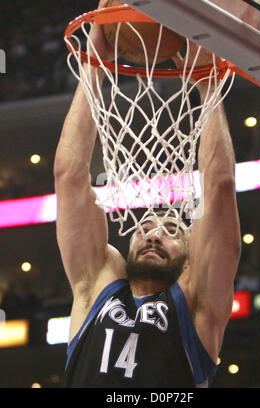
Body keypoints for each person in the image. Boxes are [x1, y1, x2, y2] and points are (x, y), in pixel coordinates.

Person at [54, 0, 241, 388]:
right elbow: (69, 176)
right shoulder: (97, 286)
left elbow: (219, 187)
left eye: (173, 230)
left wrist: (207, 78)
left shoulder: (197, 307)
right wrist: (95, 65)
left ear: (191, 261)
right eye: (147, 227)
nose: (155, 233)